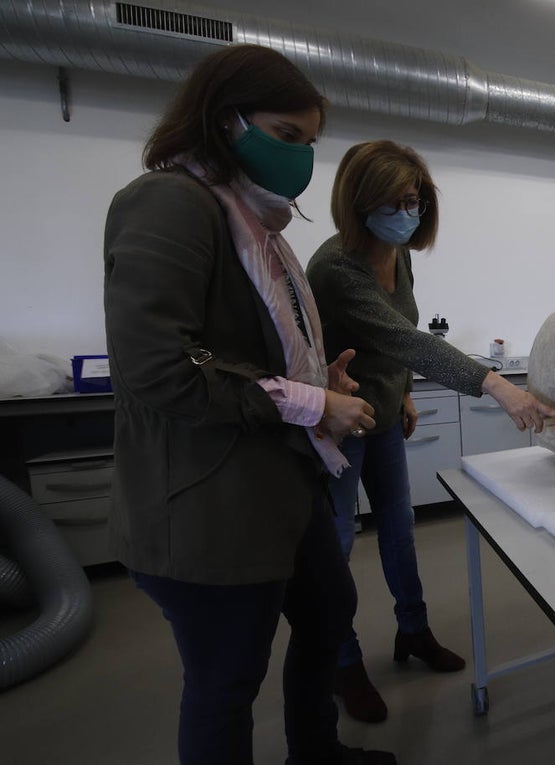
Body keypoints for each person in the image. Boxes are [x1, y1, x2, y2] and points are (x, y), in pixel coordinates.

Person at [103, 44, 395, 765]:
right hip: (208, 506)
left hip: (279, 488)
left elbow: (241, 348)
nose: (299, 158)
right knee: (225, 680)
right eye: (285, 135)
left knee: (328, 616)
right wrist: (307, 402)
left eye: (309, 142)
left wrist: (319, 381)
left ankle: (315, 750)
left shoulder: (258, 226)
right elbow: (165, 363)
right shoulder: (168, 202)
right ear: (222, 120)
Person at [306, 140, 555, 723]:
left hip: (383, 414)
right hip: (339, 421)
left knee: (400, 531)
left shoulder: (399, 256)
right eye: (395, 202)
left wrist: (404, 393)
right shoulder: (335, 268)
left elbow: (399, 332)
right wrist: (496, 385)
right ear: (359, 202)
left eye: (414, 201)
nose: (407, 213)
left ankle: (414, 631)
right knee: (337, 544)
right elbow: (407, 339)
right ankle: (342, 661)